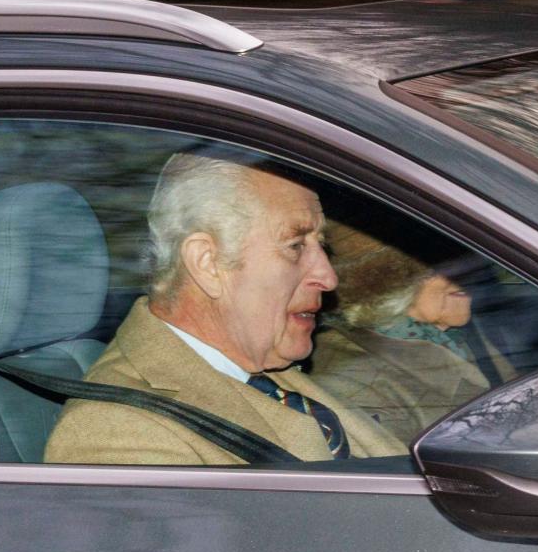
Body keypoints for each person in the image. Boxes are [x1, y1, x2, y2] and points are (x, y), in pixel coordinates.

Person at [45, 153, 404, 465]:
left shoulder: (265, 375)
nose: (327, 277)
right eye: (295, 245)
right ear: (208, 263)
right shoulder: (118, 435)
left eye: (320, 245)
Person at [309, 216, 515, 443]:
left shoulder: (461, 336)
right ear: (388, 285)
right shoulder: (357, 383)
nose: (463, 276)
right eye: (438, 266)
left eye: (464, 261)